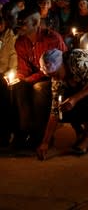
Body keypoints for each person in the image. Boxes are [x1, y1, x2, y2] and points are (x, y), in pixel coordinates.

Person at [36, 48, 88, 160]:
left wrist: (74, 98)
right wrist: (45, 142)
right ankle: (79, 132)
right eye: (51, 76)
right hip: (87, 79)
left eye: (56, 74)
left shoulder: (78, 60)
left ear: (61, 65)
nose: (54, 78)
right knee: (64, 104)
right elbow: (55, 110)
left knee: (87, 97)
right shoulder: (57, 79)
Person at [13, 8, 67, 148]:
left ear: (36, 22)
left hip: (54, 76)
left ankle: (41, 134)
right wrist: (20, 79)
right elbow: (23, 69)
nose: (19, 26)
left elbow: (55, 68)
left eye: (24, 23)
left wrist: (28, 80)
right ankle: (23, 131)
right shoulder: (20, 42)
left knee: (39, 88)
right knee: (17, 87)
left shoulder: (51, 38)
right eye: (19, 22)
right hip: (34, 77)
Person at [0, 13, 17, 146]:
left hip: (5, 74)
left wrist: (9, 73)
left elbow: (13, 57)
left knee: (5, 103)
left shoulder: (11, 37)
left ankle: (5, 134)